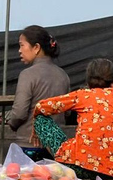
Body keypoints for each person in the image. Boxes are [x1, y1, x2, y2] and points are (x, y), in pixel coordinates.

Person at [31, 58, 113, 180]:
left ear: (88, 81)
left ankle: (64, 160)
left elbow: (41, 107)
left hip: (79, 167)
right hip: (111, 173)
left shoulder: (83, 95)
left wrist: (35, 129)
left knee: (40, 119)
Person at [7, 25, 70, 161]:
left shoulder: (27, 75)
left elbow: (19, 113)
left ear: (36, 47)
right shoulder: (63, 75)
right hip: (55, 147)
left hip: (28, 145)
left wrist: (11, 123)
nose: (19, 50)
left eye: (22, 45)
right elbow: (67, 112)